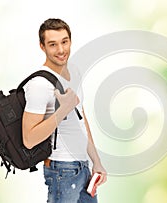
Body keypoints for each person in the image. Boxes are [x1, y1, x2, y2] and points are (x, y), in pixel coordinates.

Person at [22, 18, 107, 203]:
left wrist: (96, 161)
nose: (61, 50)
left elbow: (81, 120)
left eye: (64, 42)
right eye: (52, 44)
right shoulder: (39, 84)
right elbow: (29, 139)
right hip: (61, 170)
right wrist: (62, 110)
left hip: (83, 168)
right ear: (42, 46)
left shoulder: (74, 72)